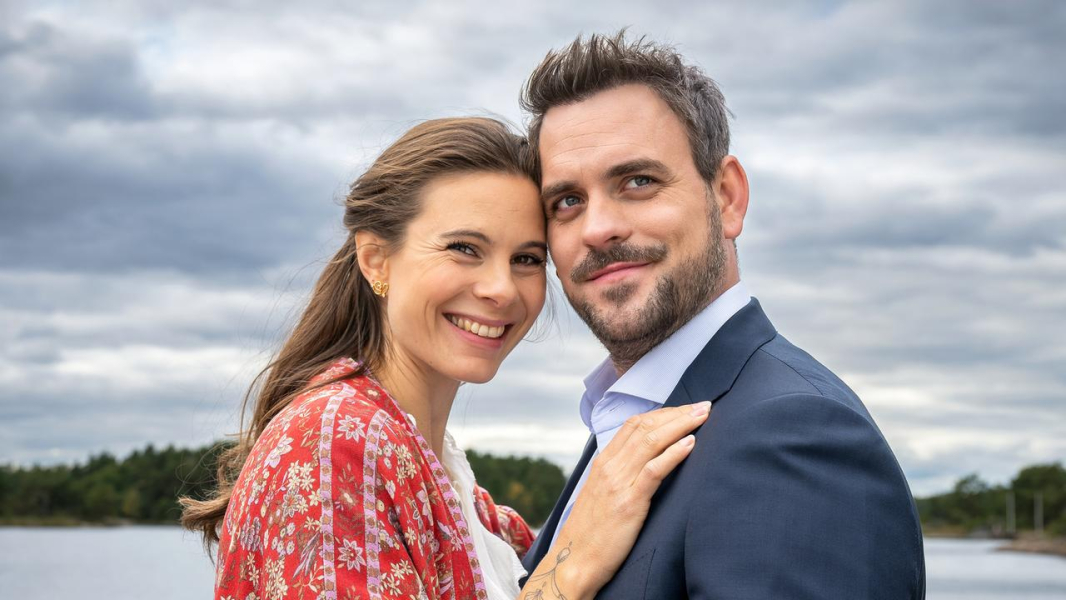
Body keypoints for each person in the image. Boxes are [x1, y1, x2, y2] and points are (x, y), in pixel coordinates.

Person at [180, 117, 709, 600]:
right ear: (375, 259)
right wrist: (571, 569)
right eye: (464, 248)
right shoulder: (335, 443)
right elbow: (566, 567)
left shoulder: (463, 499)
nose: (501, 289)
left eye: (526, 259)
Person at [519, 32, 927, 598]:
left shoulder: (792, 437)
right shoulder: (630, 420)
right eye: (567, 201)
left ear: (728, 197)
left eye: (638, 182)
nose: (598, 228)